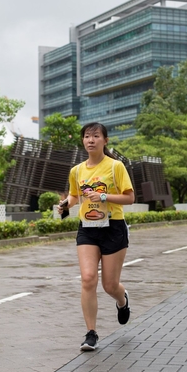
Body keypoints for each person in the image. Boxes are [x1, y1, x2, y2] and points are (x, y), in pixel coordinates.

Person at [59, 122, 135, 351]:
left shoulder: (115, 166)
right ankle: (91, 333)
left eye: (96, 136)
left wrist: (103, 197)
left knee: (109, 285)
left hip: (113, 227)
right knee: (88, 278)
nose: (90, 140)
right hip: (88, 228)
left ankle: (122, 300)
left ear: (105, 140)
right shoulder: (77, 171)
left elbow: (130, 198)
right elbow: (75, 196)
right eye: (87, 136)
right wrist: (66, 204)